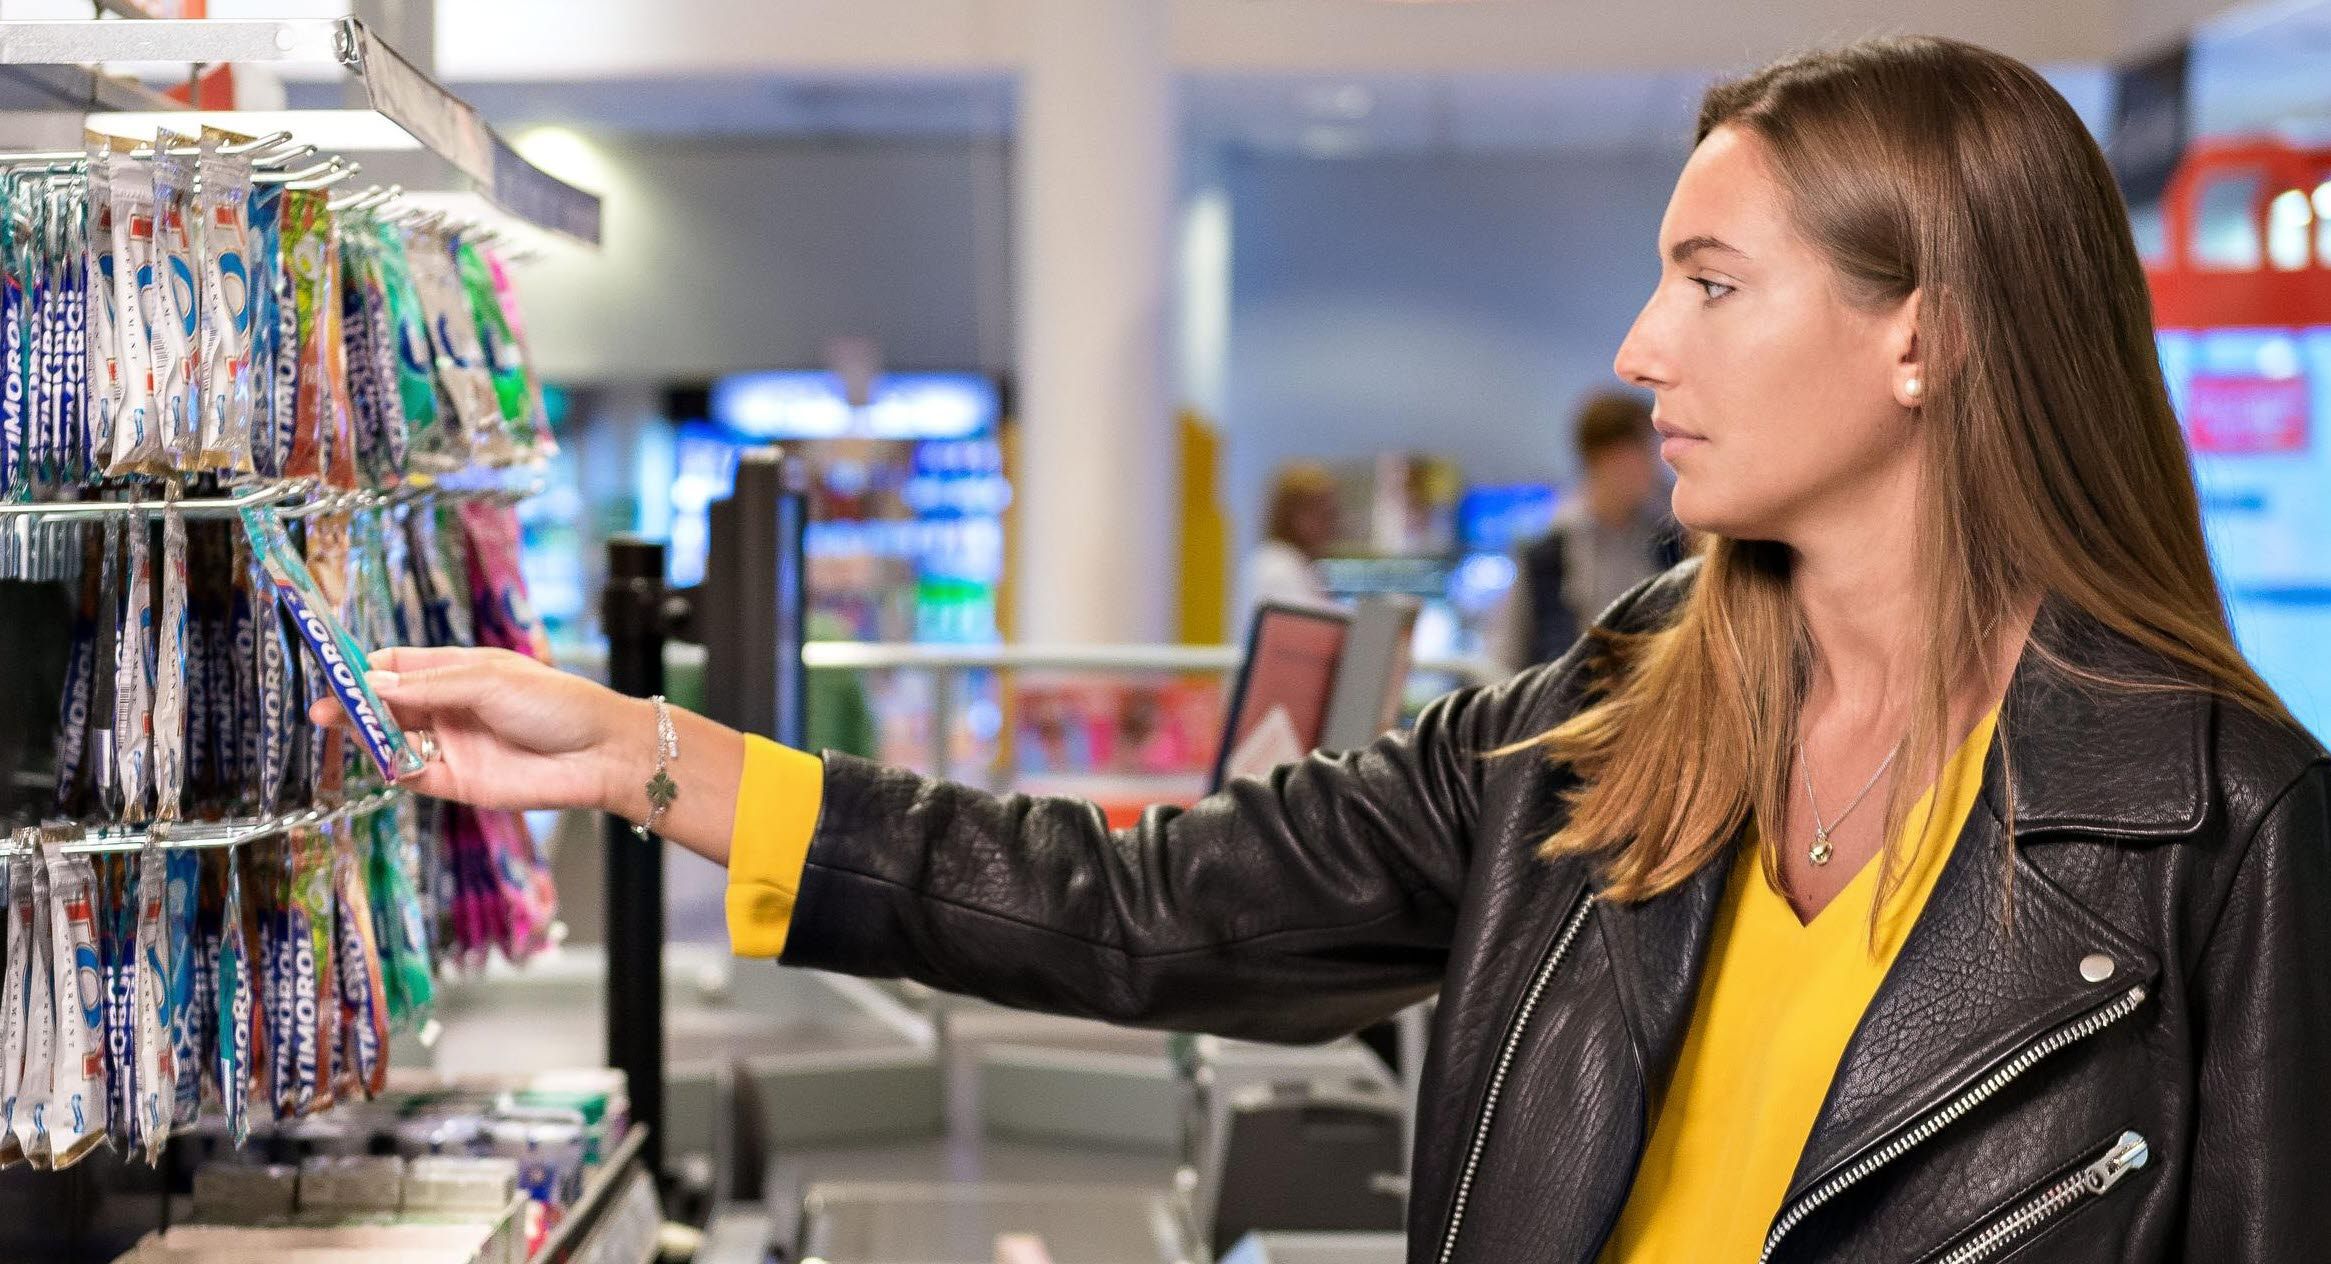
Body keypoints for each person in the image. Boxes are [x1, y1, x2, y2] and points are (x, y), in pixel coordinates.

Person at [320, 36, 2329, 1263]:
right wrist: (647, 754)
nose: (1640, 348)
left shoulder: (2215, 822)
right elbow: (1142, 901)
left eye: (1711, 283)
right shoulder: (1604, 727)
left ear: (1924, 332)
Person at [1493, 391, 1686, 672]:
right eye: (1646, 449)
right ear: (1608, 456)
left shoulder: (1670, 540)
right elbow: (1506, 656)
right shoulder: (1546, 552)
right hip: (1570, 710)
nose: (1657, 464)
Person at [1236, 461, 1341, 622]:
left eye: (1333, 514)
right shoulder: (1277, 566)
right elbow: (1306, 633)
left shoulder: (1296, 563)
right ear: (1293, 516)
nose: (1332, 524)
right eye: (1324, 514)